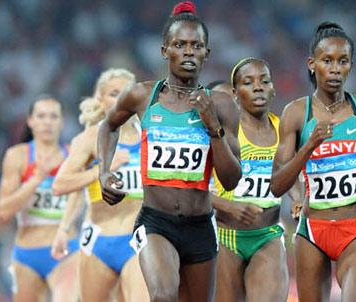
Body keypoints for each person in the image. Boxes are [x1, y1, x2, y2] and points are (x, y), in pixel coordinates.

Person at [97, 2, 241, 302]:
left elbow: (230, 180)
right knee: (163, 296)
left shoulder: (223, 105)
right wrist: (104, 172)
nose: (188, 52)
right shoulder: (142, 96)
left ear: (207, 53)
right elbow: (108, 126)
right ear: (165, 51)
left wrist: (214, 127)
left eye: (196, 45)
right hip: (155, 221)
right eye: (180, 45)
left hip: (200, 225)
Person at [270, 22, 356, 302]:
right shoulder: (295, 113)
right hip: (311, 233)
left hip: (355, 231)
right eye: (327, 61)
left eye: (343, 61)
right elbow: (277, 185)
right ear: (312, 64)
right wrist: (308, 147)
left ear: (351, 65)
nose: (335, 69)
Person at [51, 69, 148, 302]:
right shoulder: (88, 139)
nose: (122, 99)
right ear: (100, 100)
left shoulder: (150, 136)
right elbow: (62, 185)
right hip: (98, 240)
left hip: (138, 237)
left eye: (127, 93)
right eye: (114, 93)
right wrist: (103, 170)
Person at [212, 58, 301, 302]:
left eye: (264, 81)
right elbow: (193, 189)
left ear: (273, 88)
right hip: (226, 236)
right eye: (248, 83)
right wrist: (229, 206)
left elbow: (288, 174)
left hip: (267, 234)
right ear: (234, 93)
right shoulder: (224, 132)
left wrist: (298, 199)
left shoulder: (283, 129)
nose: (258, 87)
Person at [0, 96, 79, 302]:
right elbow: (2, 211)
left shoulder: (74, 155)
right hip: (27, 254)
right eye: (41, 116)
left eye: (53, 116)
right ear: (30, 121)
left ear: (62, 122)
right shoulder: (17, 157)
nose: (47, 122)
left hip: (66, 249)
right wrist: (35, 181)